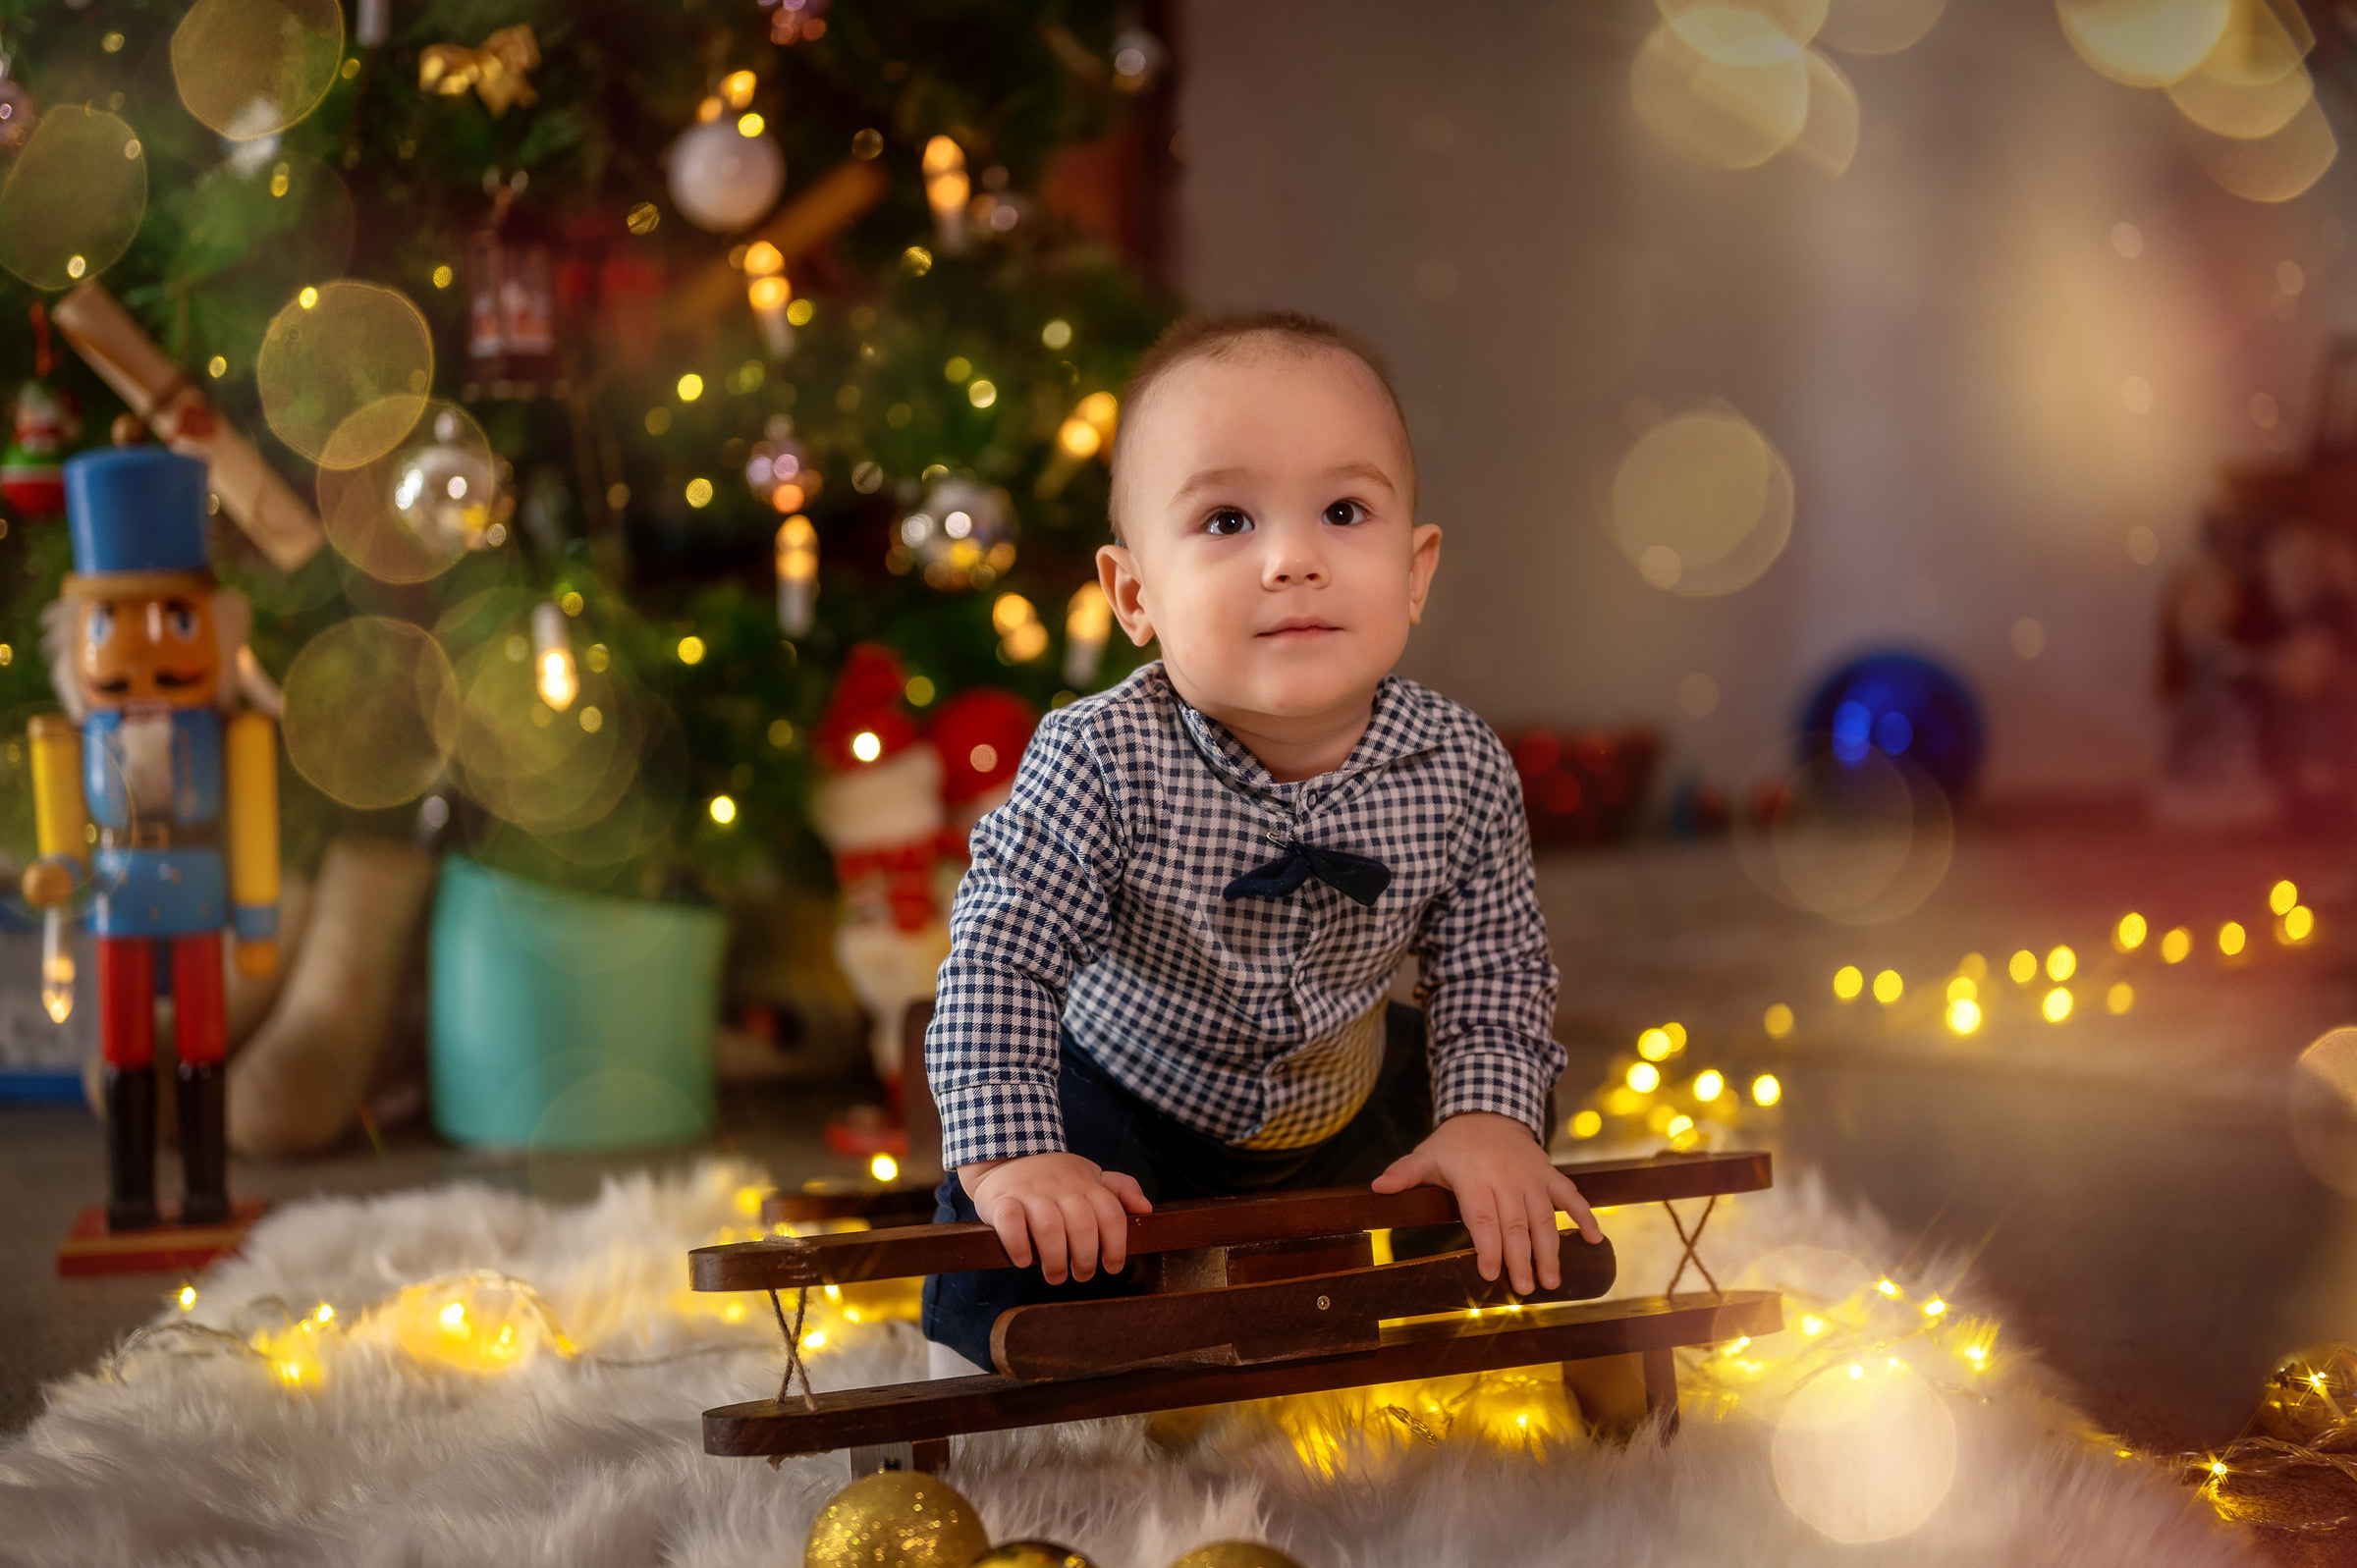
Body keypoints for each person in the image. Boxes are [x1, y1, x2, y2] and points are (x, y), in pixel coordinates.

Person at [920, 310, 1601, 1375]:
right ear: (1134, 594)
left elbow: (1495, 965)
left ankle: (1453, 1240)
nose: (1292, 559)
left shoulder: (1458, 764)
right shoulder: (1100, 756)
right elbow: (1001, 957)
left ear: (1416, 571)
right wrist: (1018, 1153)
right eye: (1228, 521)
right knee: (1030, 1189)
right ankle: (1016, 1313)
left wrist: (1487, 1120)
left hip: (1344, 1095)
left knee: (1488, 1084)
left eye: (1343, 510)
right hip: (1135, 1097)